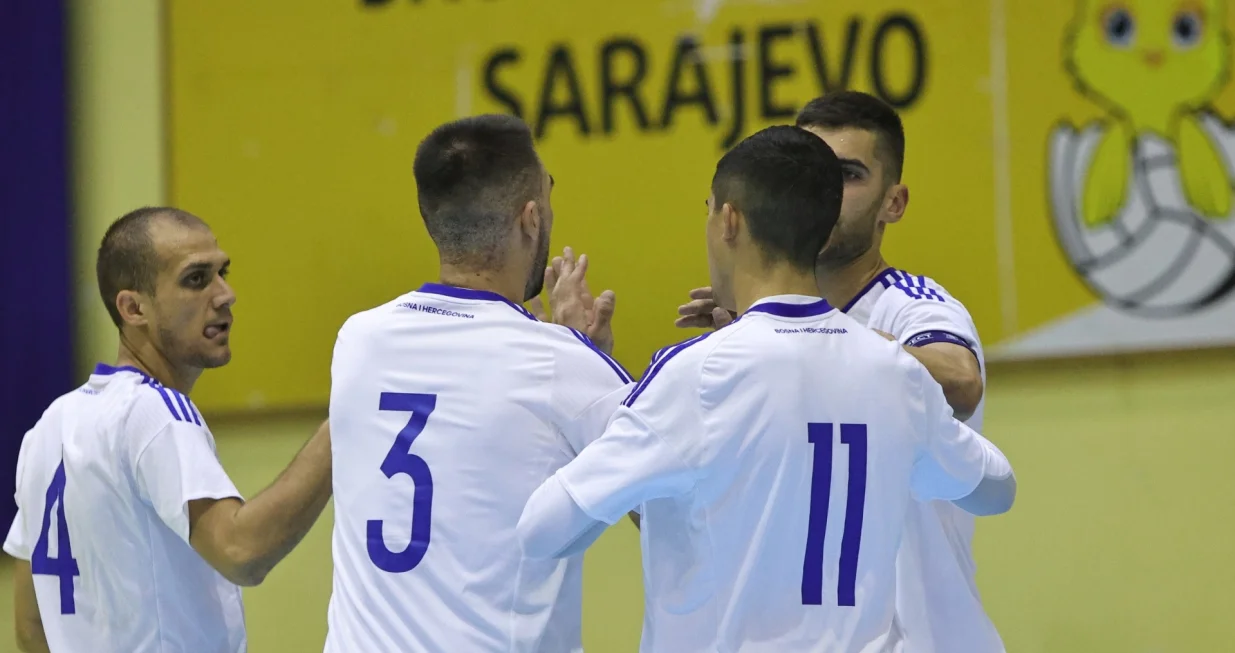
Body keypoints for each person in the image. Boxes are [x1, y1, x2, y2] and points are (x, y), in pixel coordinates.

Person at [517, 125, 1016, 653]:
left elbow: (544, 529)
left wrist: (588, 367)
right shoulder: (894, 371)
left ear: (729, 219)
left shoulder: (697, 373)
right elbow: (995, 487)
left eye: (708, 209)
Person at [676, 91, 1004, 652]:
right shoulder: (754, 344)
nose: (824, 193)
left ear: (893, 202)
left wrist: (815, 336)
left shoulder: (913, 306)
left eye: (849, 175)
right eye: (812, 173)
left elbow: (960, 382)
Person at [324, 114, 632, 653]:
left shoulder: (357, 342)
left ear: (429, 218)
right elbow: (664, 500)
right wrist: (583, 354)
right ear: (530, 219)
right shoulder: (558, 361)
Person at [4, 207, 333, 653]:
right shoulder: (155, 411)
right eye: (196, 279)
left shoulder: (48, 426)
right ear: (133, 307)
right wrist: (342, 427)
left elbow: (30, 626)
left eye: (223, 272)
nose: (226, 294)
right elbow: (242, 552)